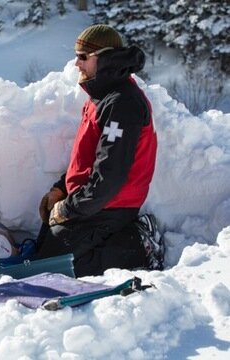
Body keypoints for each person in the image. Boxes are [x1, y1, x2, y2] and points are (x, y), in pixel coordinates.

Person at [36, 24, 163, 277]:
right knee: (44, 247)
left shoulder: (122, 102)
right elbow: (88, 157)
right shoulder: (102, 96)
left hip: (112, 204)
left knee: (58, 268)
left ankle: (138, 244)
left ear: (105, 58)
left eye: (83, 57)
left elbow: (111, 176)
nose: (76, 64)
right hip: (92, 201)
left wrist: (69, 208)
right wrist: (61, 189)